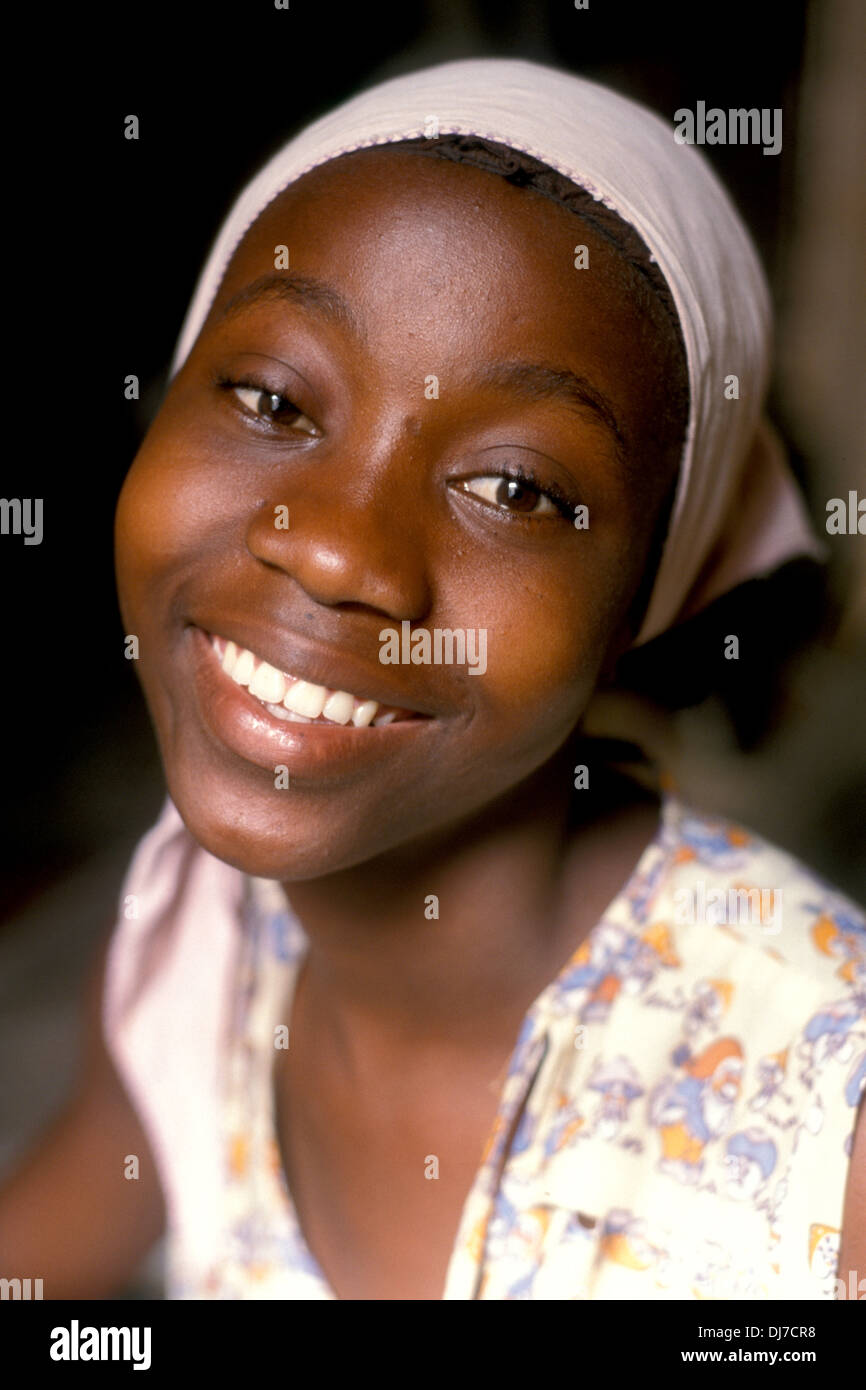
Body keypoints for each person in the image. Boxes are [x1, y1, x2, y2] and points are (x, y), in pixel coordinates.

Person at [1, 57, 863, 1301]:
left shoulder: (821, 1128)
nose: (341, 544)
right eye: (270, 398)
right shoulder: (198, 945)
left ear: (643, 601)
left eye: (514, 488)